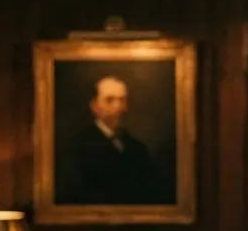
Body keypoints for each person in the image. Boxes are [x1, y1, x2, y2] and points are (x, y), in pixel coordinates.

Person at [55, 75, 169, 205]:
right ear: (94, 106)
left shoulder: (137, 148)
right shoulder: (78, 146)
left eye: (122, 100)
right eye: (109, 100)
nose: (118, 106)